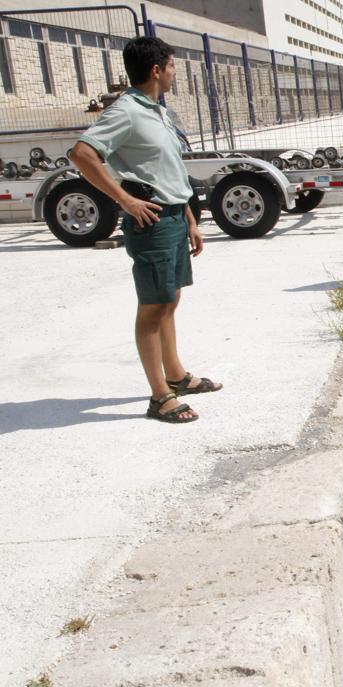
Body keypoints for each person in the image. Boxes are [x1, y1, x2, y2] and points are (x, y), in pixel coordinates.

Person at [68, 36, 221, 424]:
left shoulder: (157, 112)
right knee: (152, 307)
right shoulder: (127, 112)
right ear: (156, 70)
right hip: (150, 222)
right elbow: (82, 153)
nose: (173, 73)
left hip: (173, 217)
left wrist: (188, 218)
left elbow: (166, 169)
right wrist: (125, 200)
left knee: (169, 300)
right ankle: (160, 397)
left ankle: (176, 375)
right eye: (171, 67)